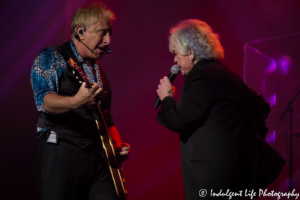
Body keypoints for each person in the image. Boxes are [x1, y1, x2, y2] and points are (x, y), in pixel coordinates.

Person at [156, 19, 285, 200]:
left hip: (211, 181)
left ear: (191, 52)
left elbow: (178, 119)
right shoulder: (227, 74)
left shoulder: (199, 76)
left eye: (176, 53)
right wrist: (243, 142)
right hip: (237, 176)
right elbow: (261, 106)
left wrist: (167, 98)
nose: (175, 60)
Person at [30, 2, 130, 200]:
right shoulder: (51, 56)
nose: (109, 40)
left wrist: (115, 148)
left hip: (96, 159)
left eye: (110, 33)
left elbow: (107, 119)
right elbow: (43, 101)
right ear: (80, 31)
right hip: (61, 153)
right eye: (103, 33)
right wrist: (76, 101)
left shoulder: (98, 70)